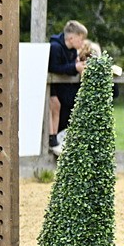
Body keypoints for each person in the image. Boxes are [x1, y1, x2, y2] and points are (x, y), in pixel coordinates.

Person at [48, 20, 88, 154]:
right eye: (81, 39)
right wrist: (74, 67)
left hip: (66, 88)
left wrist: (77, 65)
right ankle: (53, 140)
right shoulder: (55, 47)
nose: (82, 43)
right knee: (56, 106)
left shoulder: (72, 51)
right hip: (53, 88)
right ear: (71, 38)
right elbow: (53, 68)